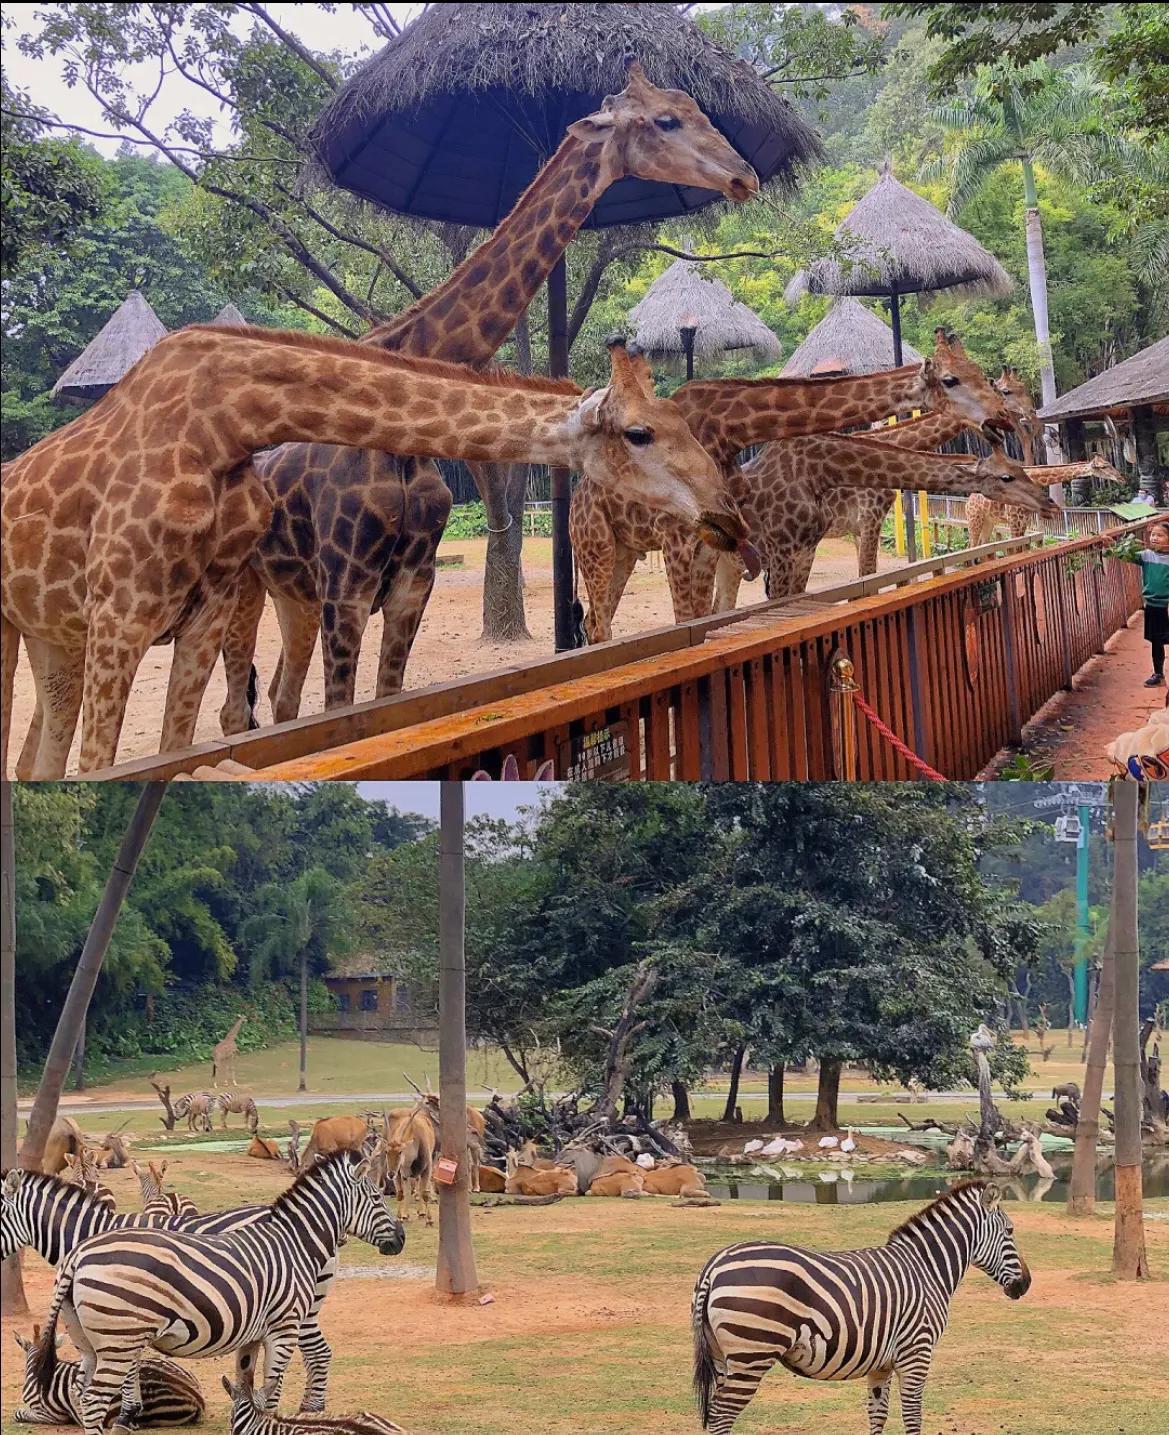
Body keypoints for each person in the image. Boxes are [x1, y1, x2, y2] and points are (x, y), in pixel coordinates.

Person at [1131, 522, 1169, 686]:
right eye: (1153, 534)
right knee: (1157, 641)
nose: (1154, 538)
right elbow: (1125, 555)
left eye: (1159, 535)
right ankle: (1158, 673)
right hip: (1153, 606)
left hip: (1167, 606)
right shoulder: (1146, 555)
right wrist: (1110, 545)